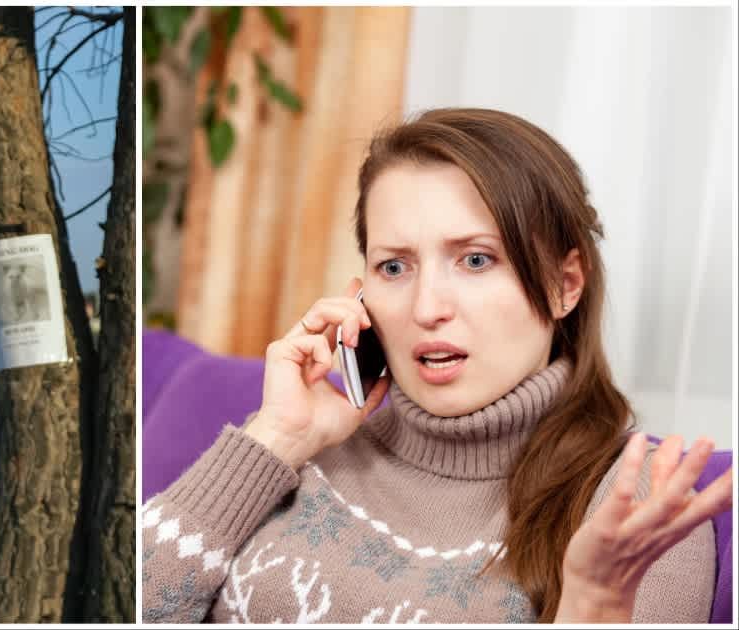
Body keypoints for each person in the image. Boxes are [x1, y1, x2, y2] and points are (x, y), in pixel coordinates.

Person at [140, 108, 732, 624]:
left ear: (564, 284)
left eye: (475, 260)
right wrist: (276, 438)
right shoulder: (302, 443)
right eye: (394, 267)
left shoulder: (634, 505)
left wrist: (587, 612)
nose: (427, 309)